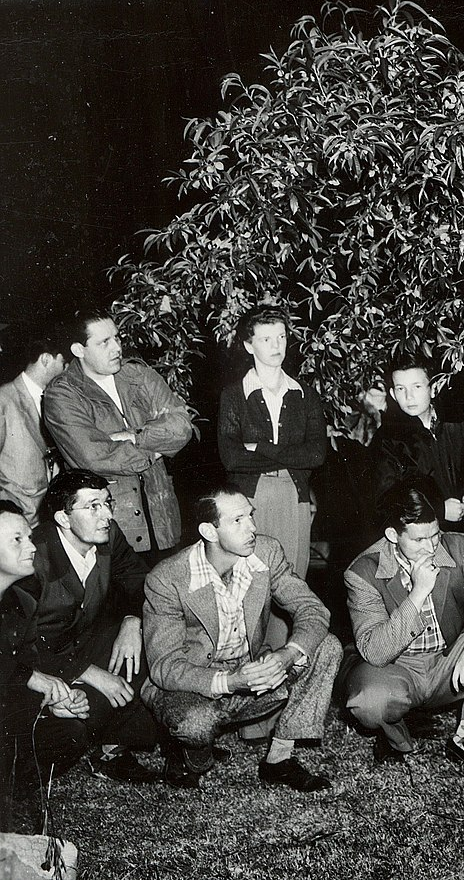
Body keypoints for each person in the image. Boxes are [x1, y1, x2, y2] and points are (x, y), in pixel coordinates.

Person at [140, 487, 341, 790]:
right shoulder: (167, 579)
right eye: (238, 520)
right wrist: (232, 681)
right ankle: (190, 754)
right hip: (193, 684)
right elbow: (165, 667)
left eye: (251, 516)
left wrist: (286, 654)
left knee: (326, 647)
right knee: (194, 726)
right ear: (209, 530)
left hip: (250, 673)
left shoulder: (266, 552)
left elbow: (312, 609)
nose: (253, 528)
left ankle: (279, 759)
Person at [343, 481, 464, 769]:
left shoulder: (459, 546)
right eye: (418, 540)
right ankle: (396, 736)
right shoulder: (362, 572)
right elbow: (375, 652)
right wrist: (417, 593)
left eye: (435, 535)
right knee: (368, 701)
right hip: (395, 667)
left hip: (447, 661)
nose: (430, 547)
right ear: (392, 535)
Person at [28, 470, 158, 782]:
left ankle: (112, 748)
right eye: (94, 506)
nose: (108, 515)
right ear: (63, 517)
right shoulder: (33, 557)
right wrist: (87, 672)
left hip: (79, 641)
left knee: (143, 645)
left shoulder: (108, 534)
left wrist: (132, 620)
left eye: (108, 503)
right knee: (69, 732)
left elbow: (139, 581)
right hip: (36, 663)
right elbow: (21, 644)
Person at [43, 309, 193, 557]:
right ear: (79, 350)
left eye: (117, 338)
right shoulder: (62, 394)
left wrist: (134, 436)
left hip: (163, 518)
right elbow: (93, 457)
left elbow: (181, 426)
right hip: (110, 526)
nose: (117, 348)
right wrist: (156, 449)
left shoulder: (139, 375)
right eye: (104, 342)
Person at [218, 304, 327, 580]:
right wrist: (292, 454)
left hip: (295, 496)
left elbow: (316, 456)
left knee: (291, 581)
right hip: (250, 499)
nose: (276, 345)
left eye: (281, 337)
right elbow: (232, 458)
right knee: (250, 582)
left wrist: (261, 447)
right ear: (248, 345)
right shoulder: (234, 395)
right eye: (266, 339)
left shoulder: (305, 395)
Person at [0, 500, 88, 831]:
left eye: (29, 537)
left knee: (69, 732)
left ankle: (10, 795)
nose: (31, 548)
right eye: (17, 540)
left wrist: (52, 702)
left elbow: (20, 672)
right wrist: (32, 679)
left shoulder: (22, 603)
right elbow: (20, 672)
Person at [367, 358, 464, 531]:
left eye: (417, 387)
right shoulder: (388, 439)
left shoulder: (456, 422)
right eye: (400, 389)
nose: (408, 396)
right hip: (419, 534)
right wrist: (439, 509)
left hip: (463, 528)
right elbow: (386, 498)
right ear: (393, 394)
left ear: (433, 388)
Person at [0, 333, 65, 526]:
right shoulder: (4, 399)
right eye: (63, 363)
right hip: (18, 518)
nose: (66, 370)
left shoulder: (56, 400)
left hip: (48, 519)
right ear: (46, 359)